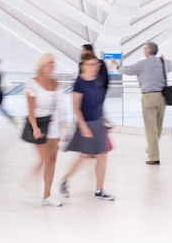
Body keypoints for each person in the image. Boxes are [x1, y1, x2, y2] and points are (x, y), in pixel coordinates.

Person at [61, 52, 114, 201]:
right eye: (91, 64)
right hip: (86, 124)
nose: (95, 67)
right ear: (83, 66)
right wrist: (83, 126)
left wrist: (104, 118)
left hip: (97, 123)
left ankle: (99, 189)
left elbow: (97, 103)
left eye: (96, 64)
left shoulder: (98, 80)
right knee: (84, 157)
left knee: (101, 156)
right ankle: (65, 180)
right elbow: (76, 108)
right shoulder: (79, 83)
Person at [113, 42, 172, 165]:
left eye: (144, 49)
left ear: (147, 51)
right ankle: (152, 147)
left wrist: (117, 66)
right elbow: (171, 66)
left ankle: (154, 156)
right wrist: (164, 59)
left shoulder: (142, 63)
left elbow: (127, 70)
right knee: (158, 126)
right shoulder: (163, 62)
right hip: (162, 97)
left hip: (149, 96)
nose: (143, 51)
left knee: (150, 128)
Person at [23, 54, 62, 207]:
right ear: (42, 65)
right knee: (45, 159)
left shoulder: (56, 83)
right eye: (48, 63)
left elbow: (58, 107)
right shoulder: (32, 83)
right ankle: (29, 182)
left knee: (52, 161)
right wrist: (34, 127)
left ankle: (47, 195)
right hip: (39, 124)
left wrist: (61, 129)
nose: (51, 65)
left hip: (53, 124)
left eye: (53, 63)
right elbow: (30, 110)